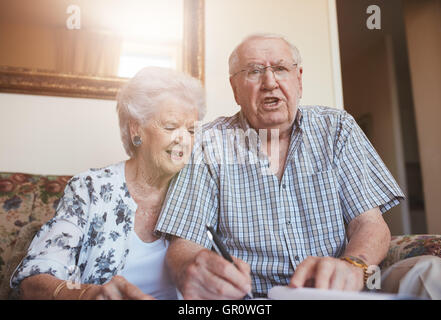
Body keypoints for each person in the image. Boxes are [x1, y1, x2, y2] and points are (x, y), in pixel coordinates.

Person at [155, 33, 405, 299]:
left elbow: (369, 224)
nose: (270, 82)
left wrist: (353, 266)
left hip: (342, 291)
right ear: (235, 88)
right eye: (254, 71)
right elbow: (184, 243)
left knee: (430, 272)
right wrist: (191, 269)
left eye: (281, 69)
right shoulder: (208, 142)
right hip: (254, 299)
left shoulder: (337, 128)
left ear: (299, 79)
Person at [10, 66, 206, 300]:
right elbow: (33, 280)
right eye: (171, 126)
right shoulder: (89, 188)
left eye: (192, 130)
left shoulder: (202, 190)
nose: (184, 140)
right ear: (136, 130)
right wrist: (90, 295)